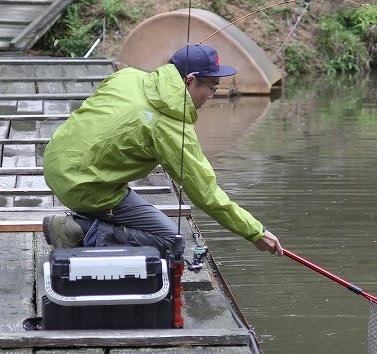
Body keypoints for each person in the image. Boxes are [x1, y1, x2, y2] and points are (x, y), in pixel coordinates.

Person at [41, 43, 282, 258]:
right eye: (211, 86)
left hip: (54, 161)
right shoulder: (171, 127)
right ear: (190, 81)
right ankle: (80, 230)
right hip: (82, 187)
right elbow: (205, 193)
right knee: (172, 241)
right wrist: (253, 231)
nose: (212, 95)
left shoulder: (127, 76)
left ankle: (87, 219)